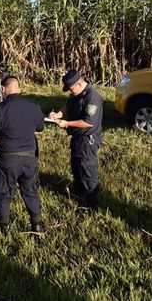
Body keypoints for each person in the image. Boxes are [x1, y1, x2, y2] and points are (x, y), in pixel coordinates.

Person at [0, 76, 47, 234]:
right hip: (29, 159)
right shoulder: (34, 107)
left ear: (4, 89)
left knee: (3, 192)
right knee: (30, 191)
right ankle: (37, 224)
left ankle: (4, 227)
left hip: (8, 159)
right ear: (19, 88)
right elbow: (40, 128)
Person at [49, 69, 103, 209]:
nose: (70, 92)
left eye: (71, 89)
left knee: (87, 170)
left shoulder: (92, 97)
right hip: (77, 138)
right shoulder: (76, 95)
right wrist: (58, 115)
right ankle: (79, 195)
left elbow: (88, 122)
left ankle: (91, 204)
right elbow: (68, 106)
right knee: (76, 168)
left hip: (87, 139)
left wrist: (67, 123)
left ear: (78, 84)